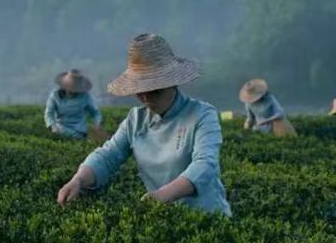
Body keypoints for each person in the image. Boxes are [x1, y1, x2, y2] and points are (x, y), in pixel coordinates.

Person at [56, 33, 231, 216]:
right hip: (164, 217)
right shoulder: (135, 120)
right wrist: (78, 180)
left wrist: (161, 196)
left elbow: (205, 165)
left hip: (208, 218)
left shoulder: (202, 114)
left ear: (173, 83)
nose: (146, 97)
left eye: (154, 90)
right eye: (140, 91)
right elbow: (108, 156)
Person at [44, 69, 104, 140]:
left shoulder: (85, 96)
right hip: (60, 128)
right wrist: (53, 126)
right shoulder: (55, 95)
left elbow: (96, 112)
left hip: (79, 132)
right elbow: (49, 113)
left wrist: (97, 124)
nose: (73, 91)